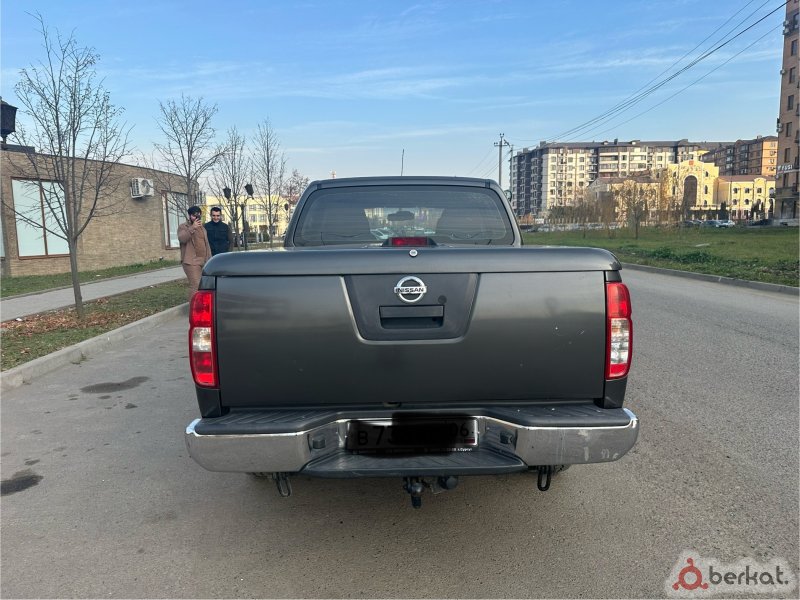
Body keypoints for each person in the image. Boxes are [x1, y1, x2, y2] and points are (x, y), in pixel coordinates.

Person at [178, 206, 212, 299]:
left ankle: (200, 305)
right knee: (195, 285)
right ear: (189, 216)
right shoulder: (183, 227)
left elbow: (206, 244)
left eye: (198, 215)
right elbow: (182, 239)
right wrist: (193, 227)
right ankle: (192, 307)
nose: (196, 217)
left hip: (203, 261)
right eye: (194, 215)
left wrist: (210, 259)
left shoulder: (203, 228)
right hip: (191, 261)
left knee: (203, 285)